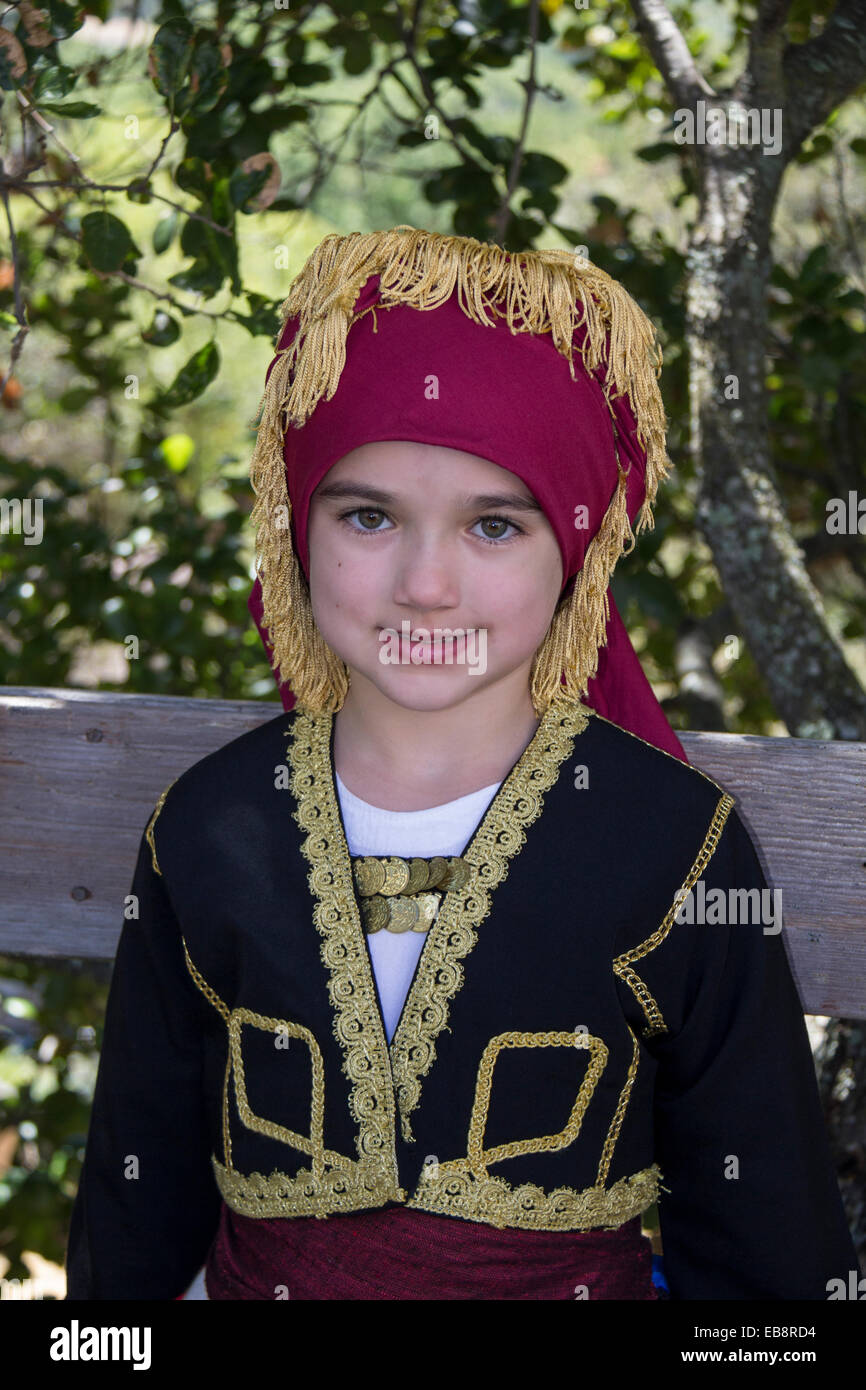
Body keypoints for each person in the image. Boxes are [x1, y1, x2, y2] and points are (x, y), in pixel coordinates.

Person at [64, 225, 857, 1301]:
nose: (425, 584)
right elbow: (132, 1209)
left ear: (574, 554)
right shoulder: (206, 828)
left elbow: (767, 1237)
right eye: (367, 516)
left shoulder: (670, 845)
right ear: (295, 529)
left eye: (492, 526)